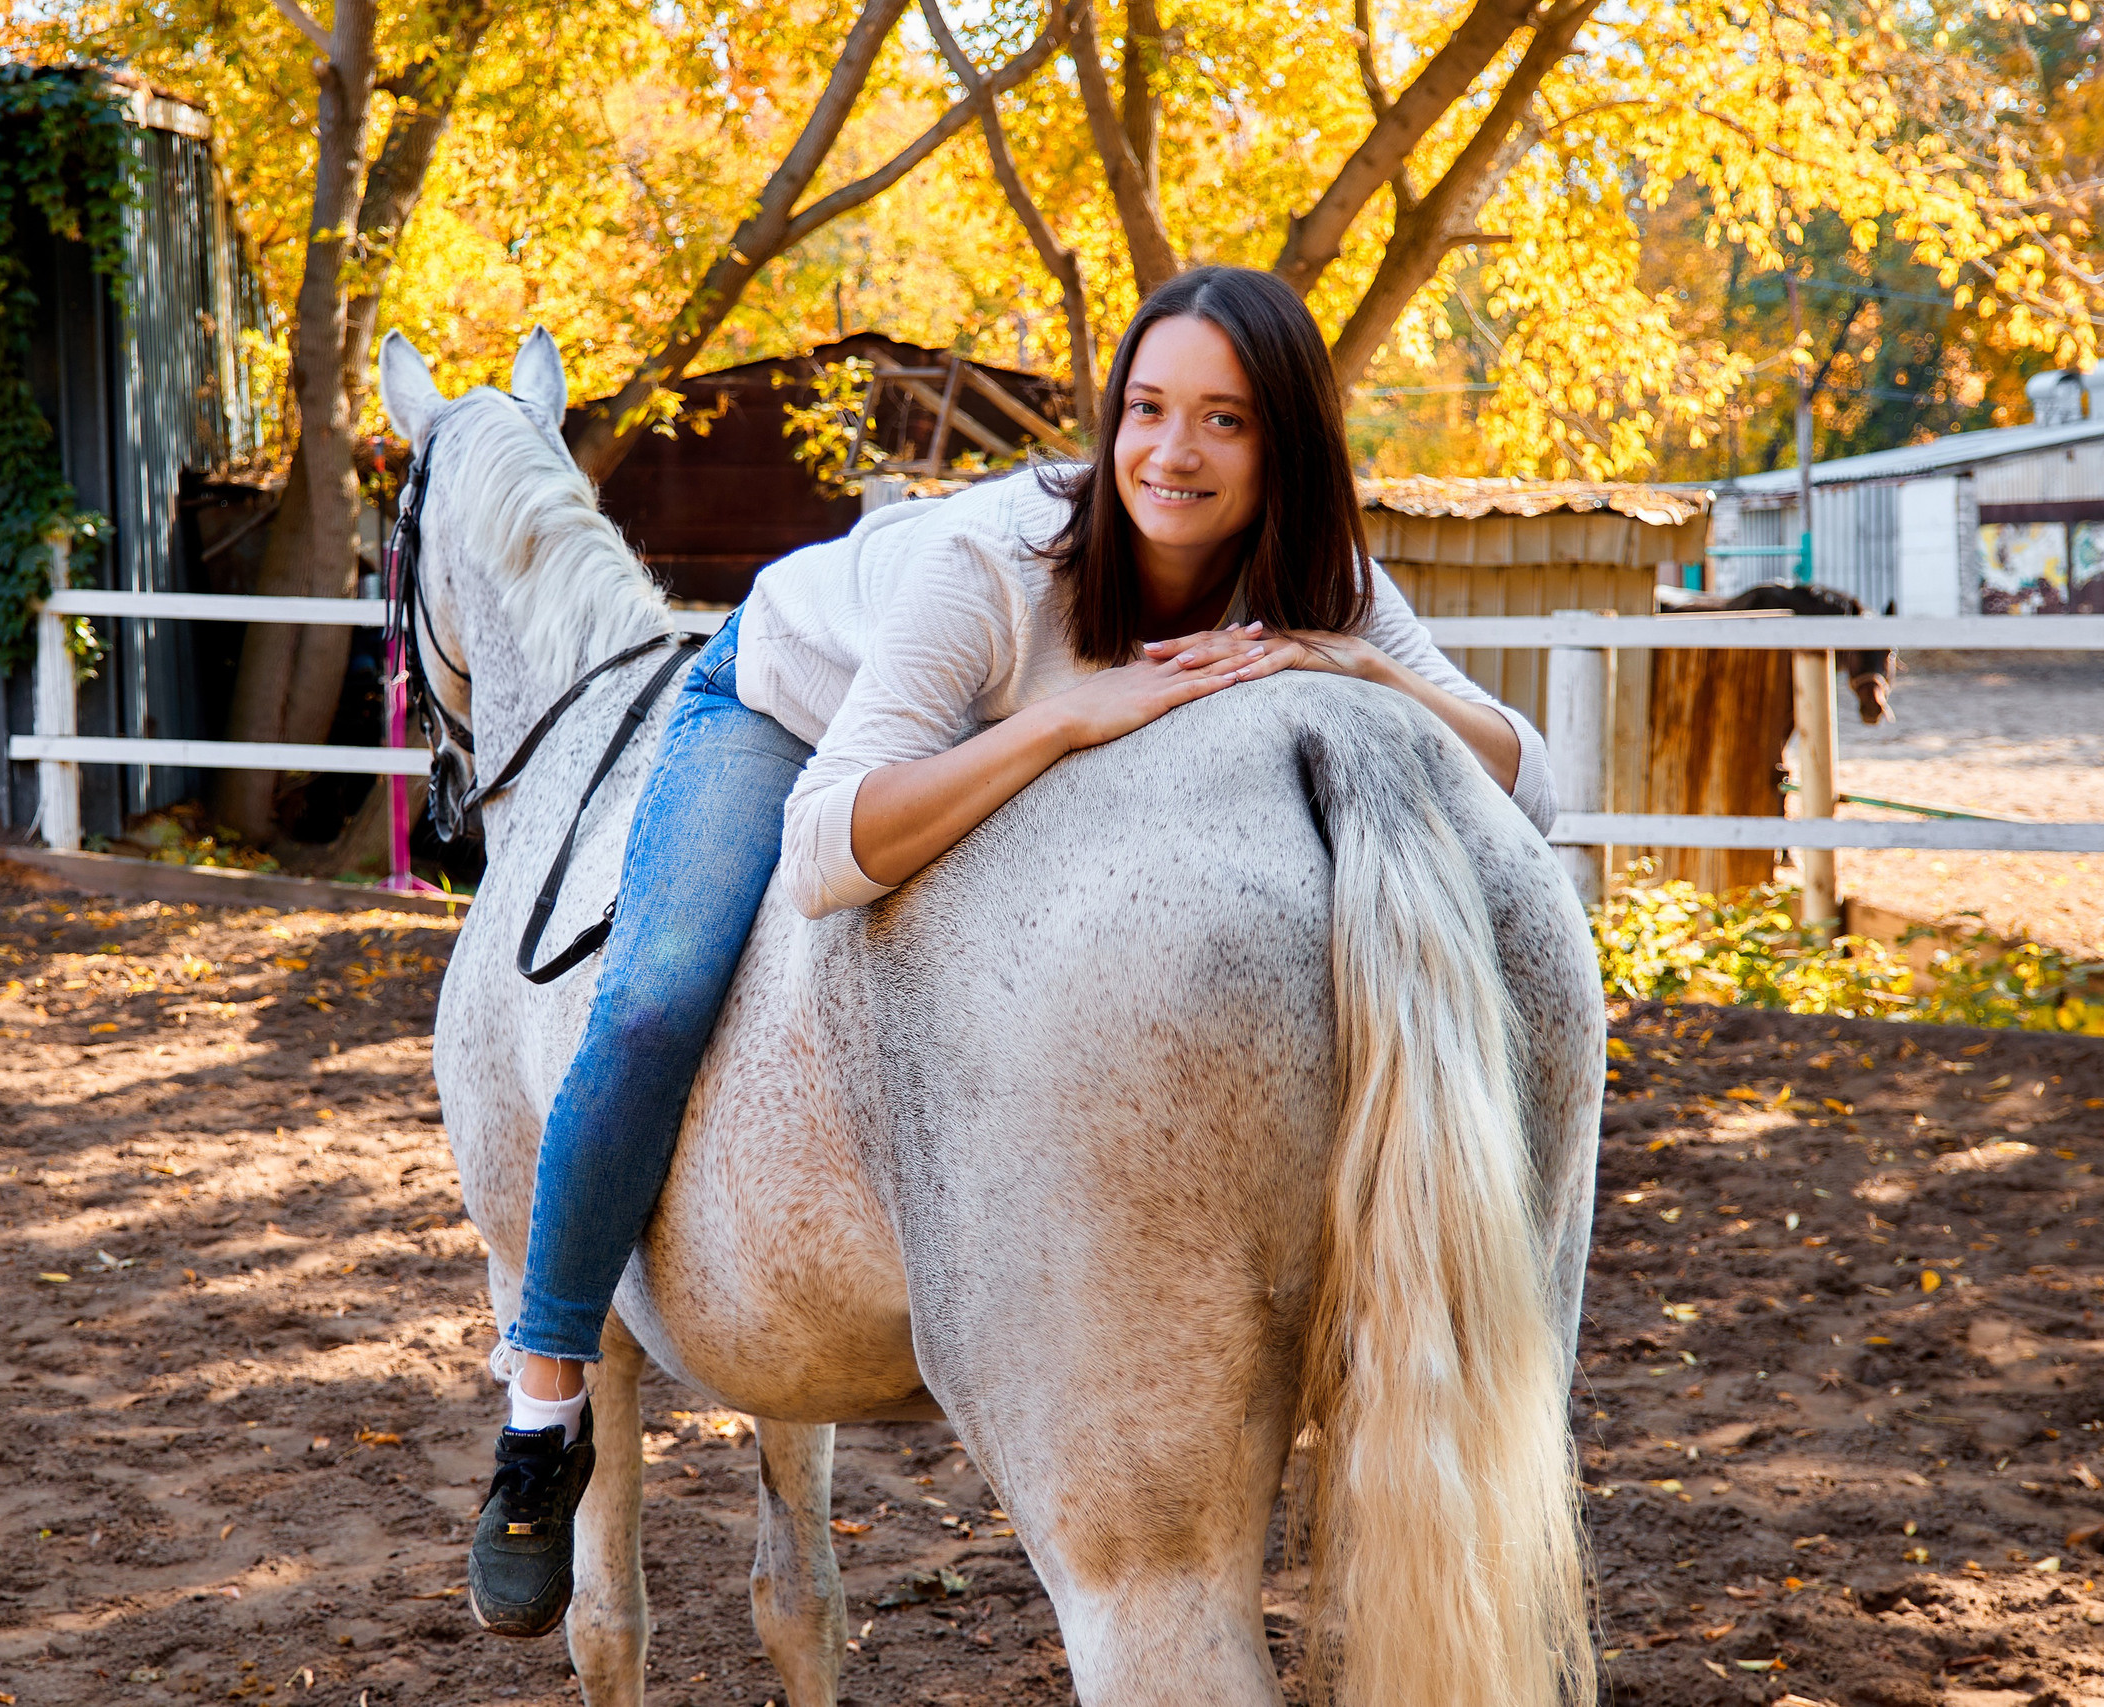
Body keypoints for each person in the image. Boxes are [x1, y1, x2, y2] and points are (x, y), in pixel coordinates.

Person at [467, 265, 1557, 1636]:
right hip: (792, 707)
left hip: (974, 735)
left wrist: (1368, 672)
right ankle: (545, 1395)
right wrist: (1065, 721)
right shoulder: (992, 560)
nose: (1173, 452)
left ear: (1284, 444)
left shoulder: (1318, 574)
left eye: (1223, 421)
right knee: (652, 997)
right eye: (1147, 410)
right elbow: (822, 853)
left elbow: (1531, 789)